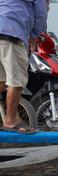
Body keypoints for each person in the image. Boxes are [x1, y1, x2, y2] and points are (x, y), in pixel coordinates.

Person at [0, 0, 47, 133]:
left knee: (2, 81)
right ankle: (11, 120)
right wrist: (34, 35)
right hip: (12, 33)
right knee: (17, 81)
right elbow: (41, 15)